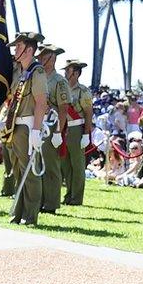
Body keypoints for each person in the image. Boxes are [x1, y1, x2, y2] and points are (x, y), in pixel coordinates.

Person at [2, 32, 48, 226]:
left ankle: (31, 216)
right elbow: (13, 100)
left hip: (28, 126)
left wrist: (36, 131)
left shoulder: (37, 72)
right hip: (15, 125)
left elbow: (41, 102)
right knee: (19, 171)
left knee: (30, 172)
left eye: (19, 47)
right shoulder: (21, 73)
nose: (15, 50)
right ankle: (18, 213)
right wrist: (3, 119)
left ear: (30, 50)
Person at [37, 43, 69, 214]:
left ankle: (51, 203)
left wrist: (58, 132)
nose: (40, 59)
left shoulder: (59, 81)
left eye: (44, 56)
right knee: (38, 163)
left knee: (50, 166)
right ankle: (39, 199)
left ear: (52, 58)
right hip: (38, 123)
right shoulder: (39, 76)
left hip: (51, 125)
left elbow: (63, 108)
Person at [61, 59, 94, 206]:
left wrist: (86, 134)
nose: (65, 73)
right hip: (63, 128)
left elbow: (88, 113)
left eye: (68, 70)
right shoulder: (62, 88)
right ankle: (68, 195)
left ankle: (76, 198)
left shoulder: (83, 91)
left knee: (77, 166)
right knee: (65, 165)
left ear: (75, 73)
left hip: (76, 128)